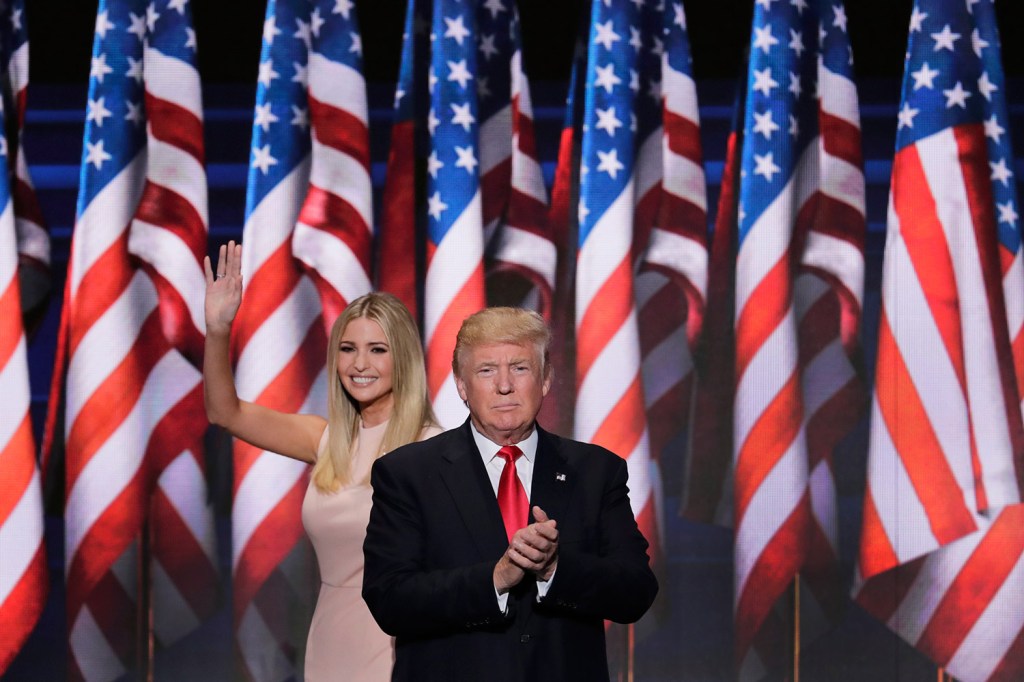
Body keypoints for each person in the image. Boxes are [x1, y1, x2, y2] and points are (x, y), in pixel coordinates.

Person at [362, 307, 658, 681]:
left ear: (546, 379)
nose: (504, 385)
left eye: (520, 367)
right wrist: (496, 578)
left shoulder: (596, 471)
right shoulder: (407, 474)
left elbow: (636, 591)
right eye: (486, 371)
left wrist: (554, 567)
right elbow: (390, 599)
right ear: (461, 385)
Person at [203, 241, 441, 681]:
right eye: (348, 349)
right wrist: (218, 331)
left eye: (378, 349)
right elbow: (225, 412)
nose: (360, 364)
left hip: (401, 646)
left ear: (403, 358)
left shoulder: (435, 449)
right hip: (330, 642)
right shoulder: (326, 439)